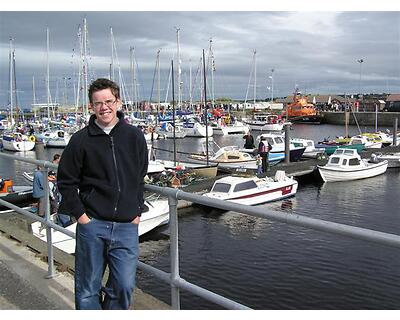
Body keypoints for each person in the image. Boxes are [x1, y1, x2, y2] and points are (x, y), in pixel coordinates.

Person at [57, 78, 148, 310]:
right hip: (93, 224)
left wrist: (137, 210)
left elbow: (139, 177)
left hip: (127, 225)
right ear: (91, 106)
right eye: (98, 103)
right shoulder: (80, 140)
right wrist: (82, 217)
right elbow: (66, 181)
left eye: (109, 101)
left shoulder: (134, 136)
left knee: (124, 286)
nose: (104, 107)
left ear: (118, 102)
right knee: (88, 288)